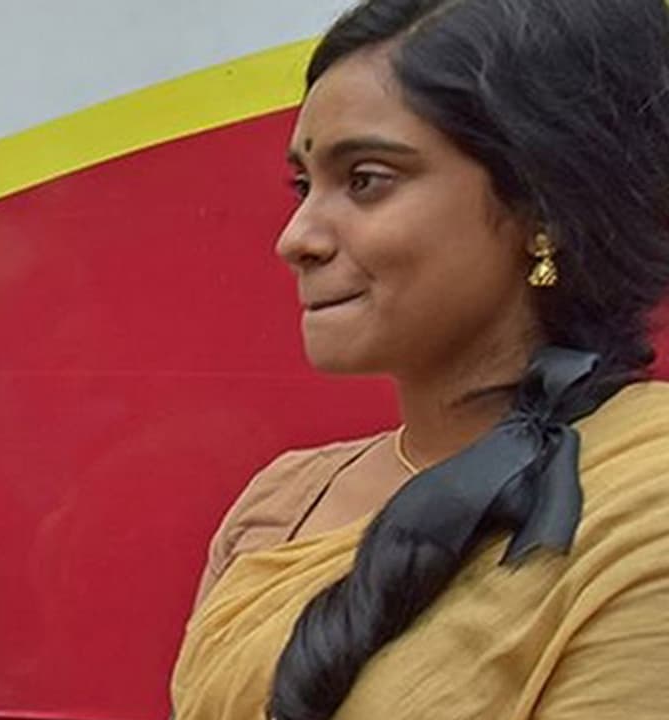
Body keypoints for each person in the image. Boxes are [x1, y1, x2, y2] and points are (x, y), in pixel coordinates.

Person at [171, 0, 669, 718]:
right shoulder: (282, 502)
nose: (296, 237)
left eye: (365, 180)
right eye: (304, 186)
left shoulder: (645, 499)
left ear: (545, 208)